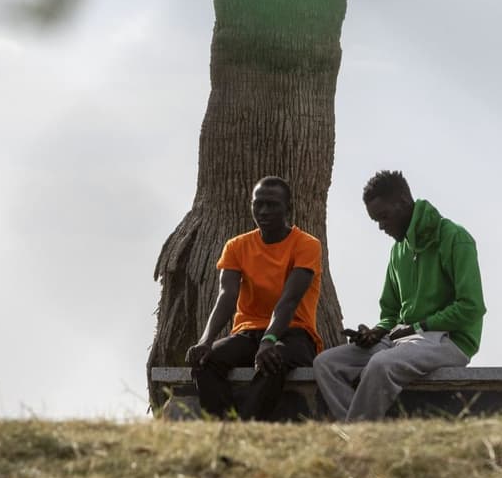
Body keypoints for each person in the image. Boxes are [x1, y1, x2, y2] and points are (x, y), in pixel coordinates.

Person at [313, 170, 486, 421]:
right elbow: (391, 313)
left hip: (450, 340)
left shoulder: (455, 238)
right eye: (376, 221)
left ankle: (358, 438)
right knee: (326, 364)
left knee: (380, 365)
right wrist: (376, 332)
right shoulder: (398, 251)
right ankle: (366, 431)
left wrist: (418, 326)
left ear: (403, 202)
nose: (381, 227)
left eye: (384, 217)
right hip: (403, 339)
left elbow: (471, 306)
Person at [185, 176, 324, 420]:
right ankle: (225, 425)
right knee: (206, 361)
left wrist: (269, 340)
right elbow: (227, 296)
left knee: (273, 359)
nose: (264, 211)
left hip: (294, 333)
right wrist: (205, 341)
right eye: (258, 204)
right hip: (248, 334)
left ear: (288, 208)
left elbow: (289, 301)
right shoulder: (236, 246)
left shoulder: (307, 245)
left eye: (272, 204)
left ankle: (248, 425)